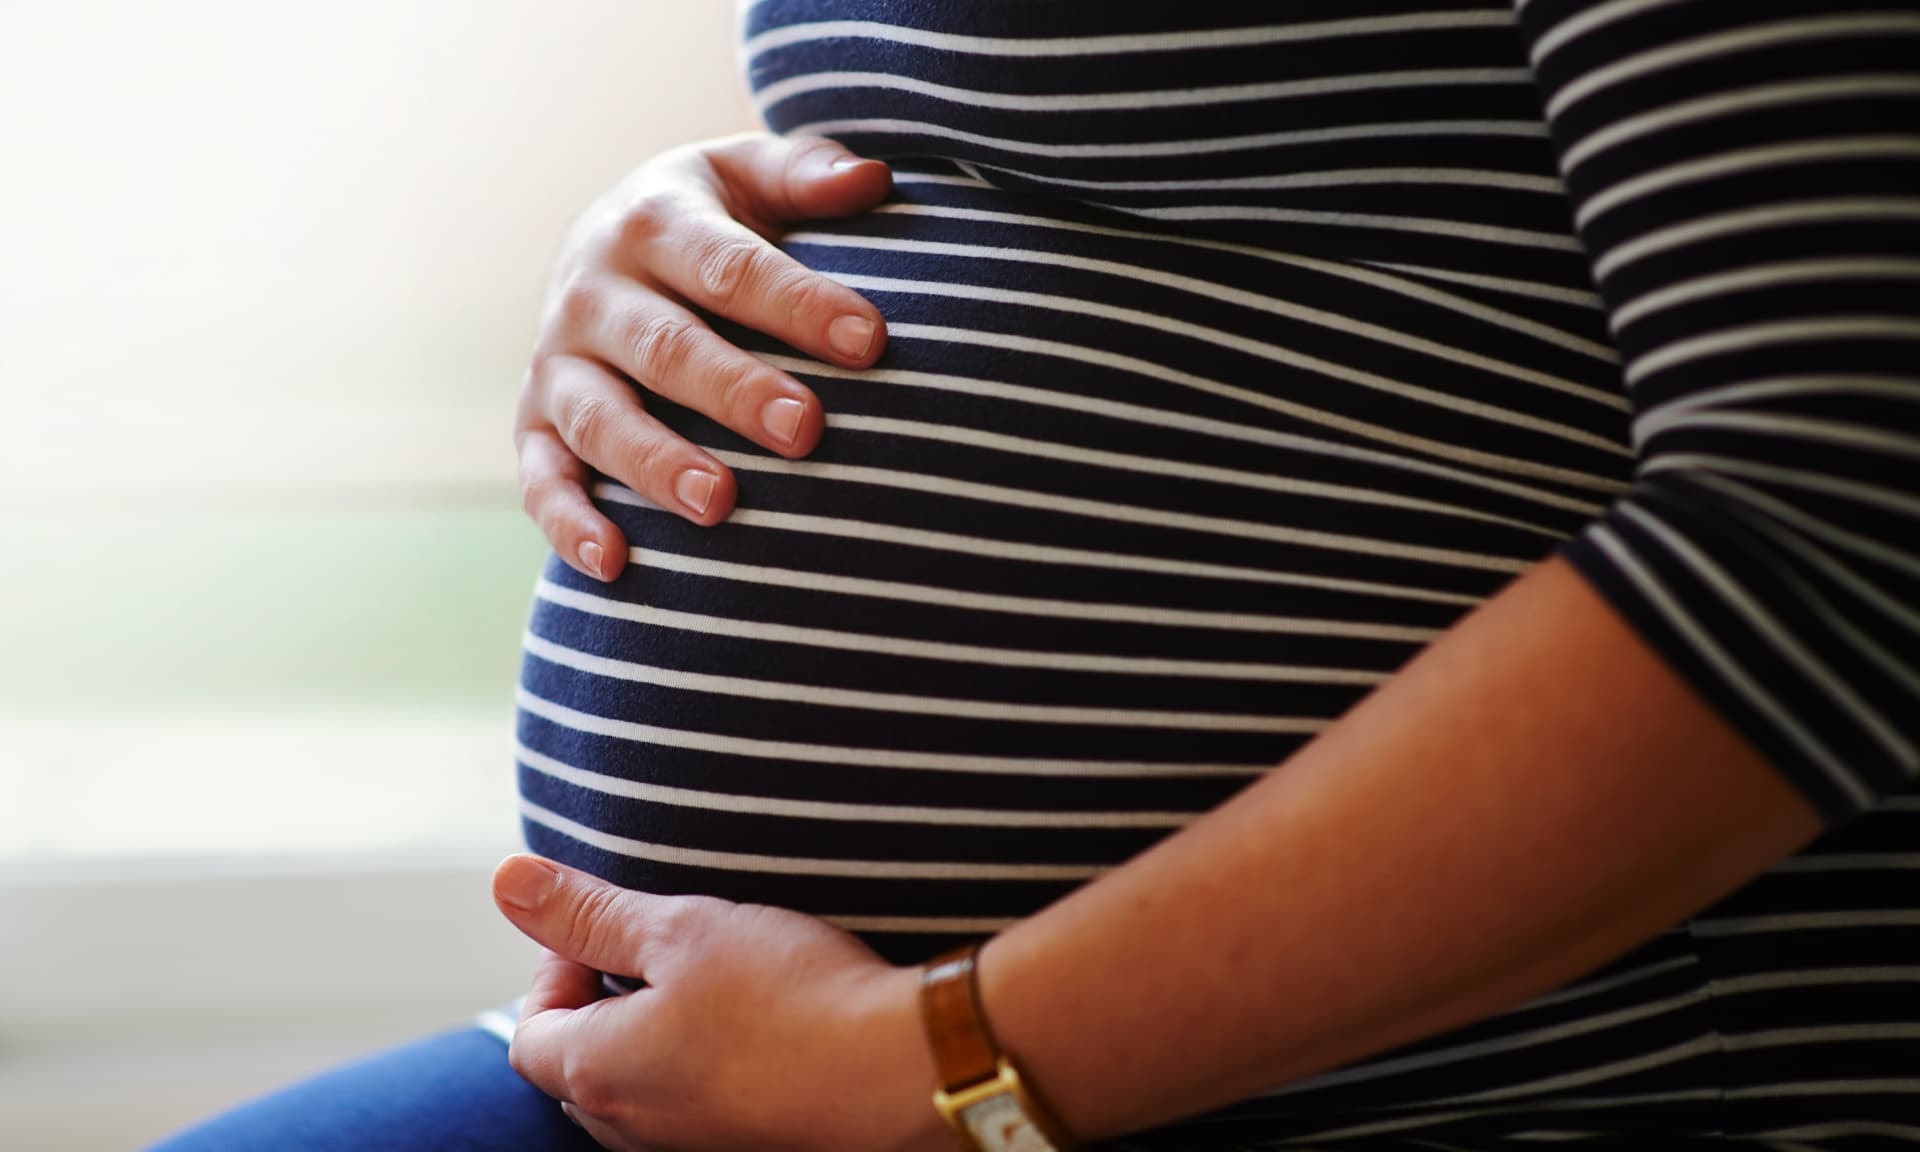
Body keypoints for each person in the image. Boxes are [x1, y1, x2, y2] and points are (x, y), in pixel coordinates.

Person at [152, 2, 1920, 1149]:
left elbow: (1842, 523)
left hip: (1473, 1088)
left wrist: (947, 1069)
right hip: (779, 1081)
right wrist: (670, 242)